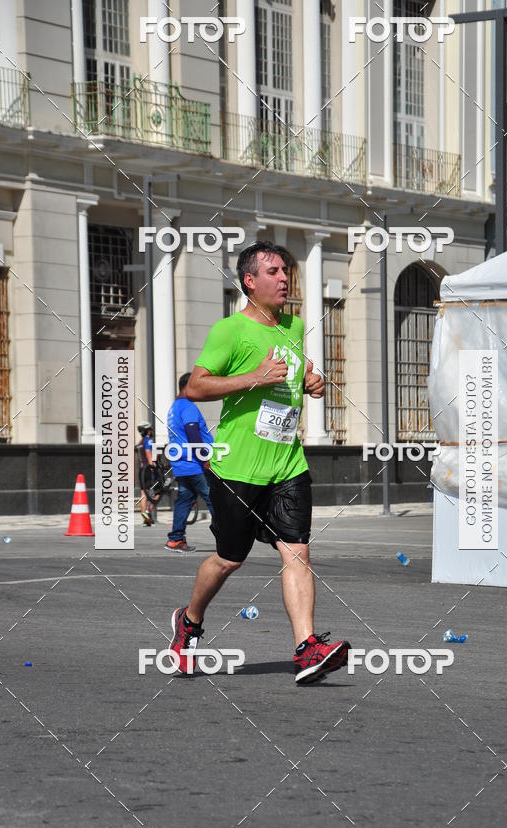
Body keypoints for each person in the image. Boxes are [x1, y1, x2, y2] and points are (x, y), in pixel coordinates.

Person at [169, 241, 351, 684]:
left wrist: (312, 380)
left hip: (287, 465)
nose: (285, 278)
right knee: (229, 559)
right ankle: (189, 623)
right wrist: (254, 378)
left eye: (286, 270)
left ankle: (307, 649)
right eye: (273, 271)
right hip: (237, 469)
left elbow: (294, 370)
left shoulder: (293, 324)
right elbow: (195, 387)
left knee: (297, 552)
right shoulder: (228, 330)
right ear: (250, 281)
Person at [165, 373, 215, 553]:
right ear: (188, 386)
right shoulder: (188, 406)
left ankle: (175, 539)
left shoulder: (174, 407)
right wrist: (204, 458)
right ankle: (227, 539)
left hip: (181, 463)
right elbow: (193, 433)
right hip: (194, 463)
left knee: (185, 500)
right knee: (214, 498)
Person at [136, 422, 159, 526]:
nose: (151, 431)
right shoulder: (148, 440)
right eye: (150, 429)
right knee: (159, 491)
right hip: (148, 469)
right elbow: (149, 454)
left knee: (143, 494)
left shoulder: (140, 442)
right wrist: (153, 468)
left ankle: (144, 515)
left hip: (141, 469)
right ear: (148, 431)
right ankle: (148, 512)